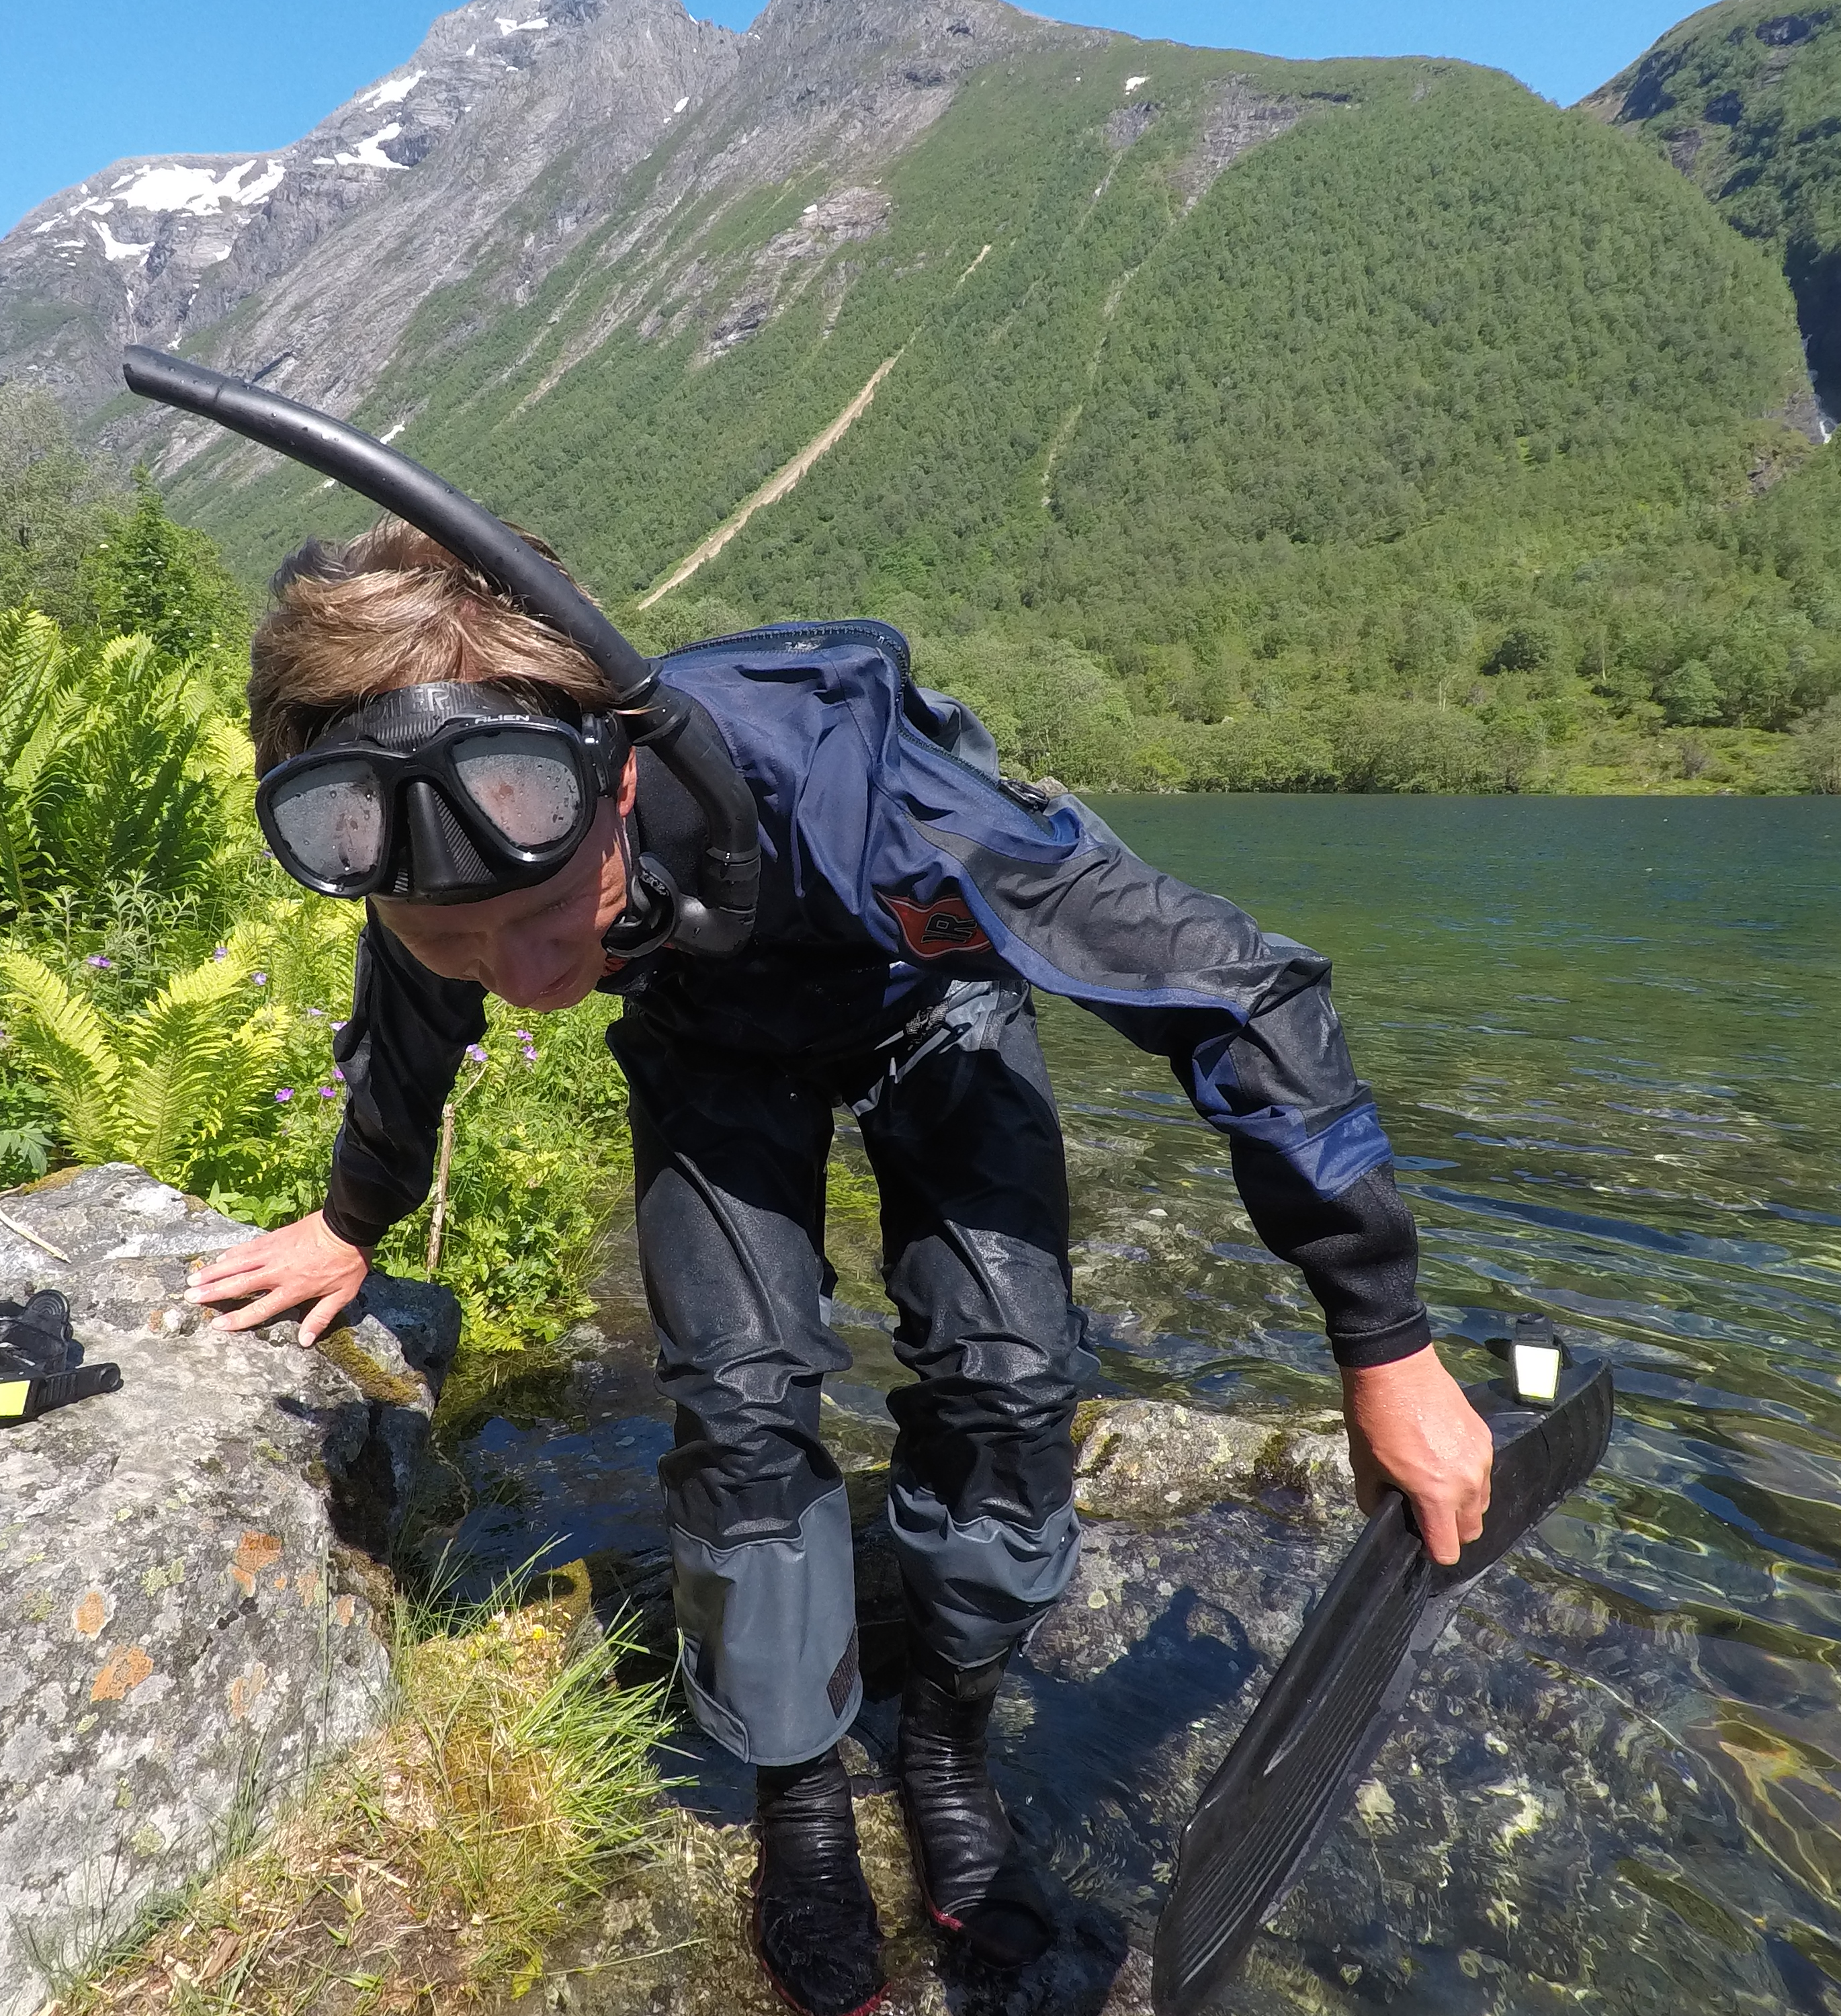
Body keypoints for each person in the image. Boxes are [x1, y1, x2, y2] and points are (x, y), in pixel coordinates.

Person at [187, 521, 1495, 2016]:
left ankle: (944, 1742)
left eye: (551, 921)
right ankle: (797, 1792)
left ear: (613, 775)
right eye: (455, 936)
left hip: (929, 1010)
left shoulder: (880, 798)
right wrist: (351, 1223)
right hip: (712, 1048)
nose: (527, 979)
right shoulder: (427, 845)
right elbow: (414, 1032)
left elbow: (1242, 997)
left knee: (1004, 1383)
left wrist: (1381, 1345)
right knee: (738, 1410)